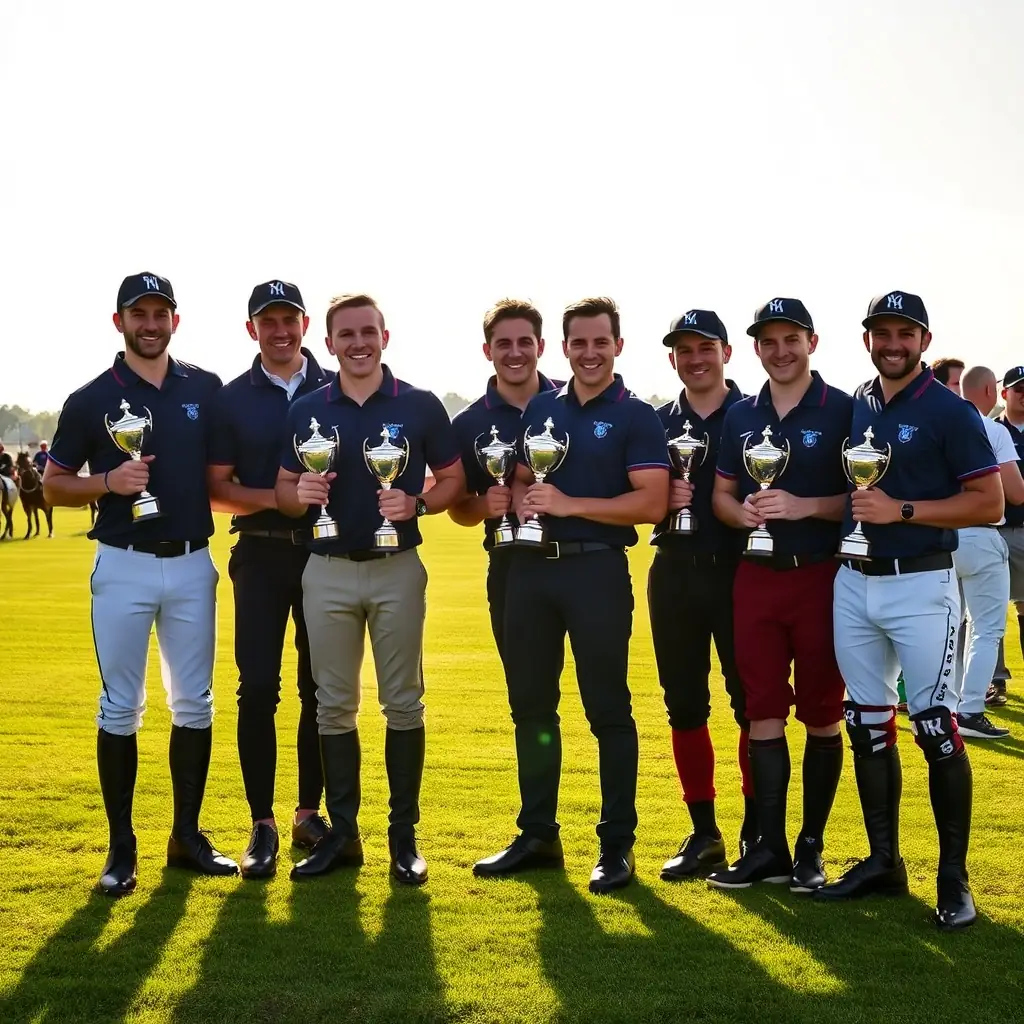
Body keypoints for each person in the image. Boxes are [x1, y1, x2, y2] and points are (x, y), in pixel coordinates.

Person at [42, 271, 236, 896]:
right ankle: (121, 848)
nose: (150, 325)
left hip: (192, 562)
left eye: (160, 314)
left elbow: (224, 473)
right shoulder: (91, 398)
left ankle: (186, 836)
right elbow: (53, 485)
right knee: (121, 707)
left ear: (175, 320)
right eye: (139, 314)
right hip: (122, 563)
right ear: (119, 321)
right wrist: (107, 483)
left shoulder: (205, 387)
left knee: (195, 703)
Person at [816, 291, 1002, 930]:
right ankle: (884, 862)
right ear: (866, 338)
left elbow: (989, 504)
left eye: (905, 333)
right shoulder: (857, 403)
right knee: (866, 722)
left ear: (924, 339)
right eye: (882, 332)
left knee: (935, 728)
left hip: (921, 584)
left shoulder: (951, 410)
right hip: (853, 581)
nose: (892, 344)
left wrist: (901, 511)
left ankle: (954, 879)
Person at [472, 296, 669, 894]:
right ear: (563, 348)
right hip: (530, 572)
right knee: (531, 708)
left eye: (600, 342)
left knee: (608, 709)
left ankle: (616, 846)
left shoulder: (636, 415)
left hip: (596, 572)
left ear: (617, 346)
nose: (589, 353)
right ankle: (537, 835)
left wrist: (567, 504)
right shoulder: (541, 408)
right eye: (578, 343)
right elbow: (525, 477)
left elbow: (651, 503)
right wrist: (520, 498)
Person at [276, 293, 464, 885]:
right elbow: (283, 490)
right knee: (333, 703)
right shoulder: (307, 409)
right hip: (326, 568)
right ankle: (343, 834)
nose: (358, 343)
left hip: (396, 568)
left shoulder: (420, 404)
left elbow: (454, 479)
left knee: (402, 701)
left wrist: (419, 504)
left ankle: (403, 837)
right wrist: (298, 496)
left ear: (385, 337)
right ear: (329, 343)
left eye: (368, 332)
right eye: (346, 334)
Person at [706, 298, 851, 893]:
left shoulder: (843, 409)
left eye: (792, 339)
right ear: (756, 349)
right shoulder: (742, 415)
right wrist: (738, 513)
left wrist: (803, 506)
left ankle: (811, 849)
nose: (781, 351)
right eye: (769, 341)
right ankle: (768, 848)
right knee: (761, 709)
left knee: (821, 712)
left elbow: (864, 499)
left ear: (811, 342)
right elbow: (720, 494)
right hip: (756, 578)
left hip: (820, 576)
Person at [207, 280, 331, 879]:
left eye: (290, 319)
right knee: (257, 688)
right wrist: (283, 498)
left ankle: (309, 813)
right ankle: (262, 823)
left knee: (319, 690)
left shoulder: (337, 388)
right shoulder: (232, 398)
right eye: (268, 321)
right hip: (259, 553)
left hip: (325, 555)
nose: (280, 331)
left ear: (305, 324)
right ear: (251, 328)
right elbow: (217, 488)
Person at [646, 309, 756, 881]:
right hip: (674, 572)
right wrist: (659, 501)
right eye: (684, 350)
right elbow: (630, 496)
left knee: (752, 704)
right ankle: (704, 832)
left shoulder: (758, 417)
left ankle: (757, 830)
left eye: (705, 348)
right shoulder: (655, 423)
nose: (695, 359)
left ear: (726, 353)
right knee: (684, 704)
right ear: (672, 359)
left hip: (740, 572)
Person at [448, 299, 561, 663]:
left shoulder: (572, 402)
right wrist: (484, 505)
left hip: (582, 560)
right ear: (488, 351)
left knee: (601, 684)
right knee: (526, 685)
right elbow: (459, 508)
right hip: (510, 565)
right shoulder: (467, 423)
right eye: (503, 344)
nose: (515, 353)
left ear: (540, 346)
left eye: (525, 342)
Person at [953, 365, 1021, 738]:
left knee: (949, 626)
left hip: (942, 534)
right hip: (981, 534)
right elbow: (1016, 493)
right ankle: (970, 711)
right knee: (987, 629)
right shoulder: (994, 430)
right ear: (991, 392)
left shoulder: (941, 426)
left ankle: (944, 709)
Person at [990, 364, 1024, 706]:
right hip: (997, 530)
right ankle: (996, 681)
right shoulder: (991, 430)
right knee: (992, 609)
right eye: (1019, 389)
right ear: (1005, 393)